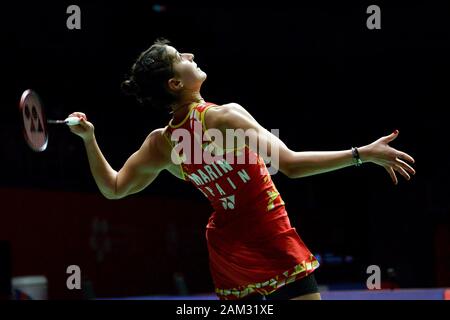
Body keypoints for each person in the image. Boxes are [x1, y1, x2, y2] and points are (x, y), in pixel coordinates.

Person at [67, 38, 416, 300]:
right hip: (269, 234)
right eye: (180, 58)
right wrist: (361, 154)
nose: (189, 56)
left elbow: (113, 188)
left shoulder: (162, 144)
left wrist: (89, 139)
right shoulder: (223, 116)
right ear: (175, 83)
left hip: (228, 252)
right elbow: (290, 165)